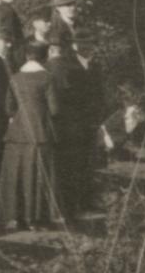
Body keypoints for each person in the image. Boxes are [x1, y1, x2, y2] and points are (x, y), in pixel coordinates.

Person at [0, 34, 63, 231]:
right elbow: (55, 109)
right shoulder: (47, 78)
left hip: (17, 133)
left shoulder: (15, 78)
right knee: (38, 174)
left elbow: (9, 108)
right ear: (43, 57)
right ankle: (36, 219)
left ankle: (13, 217)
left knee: (16, 173)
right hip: (40, 131)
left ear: (26, 56)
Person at [41, 20, 103, 226]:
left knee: (65, 168)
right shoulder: (72, 69)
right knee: (70, 169)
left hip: (64, 126)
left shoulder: (50, 68)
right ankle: (70, 211)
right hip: (72, 126)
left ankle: (65, 210)